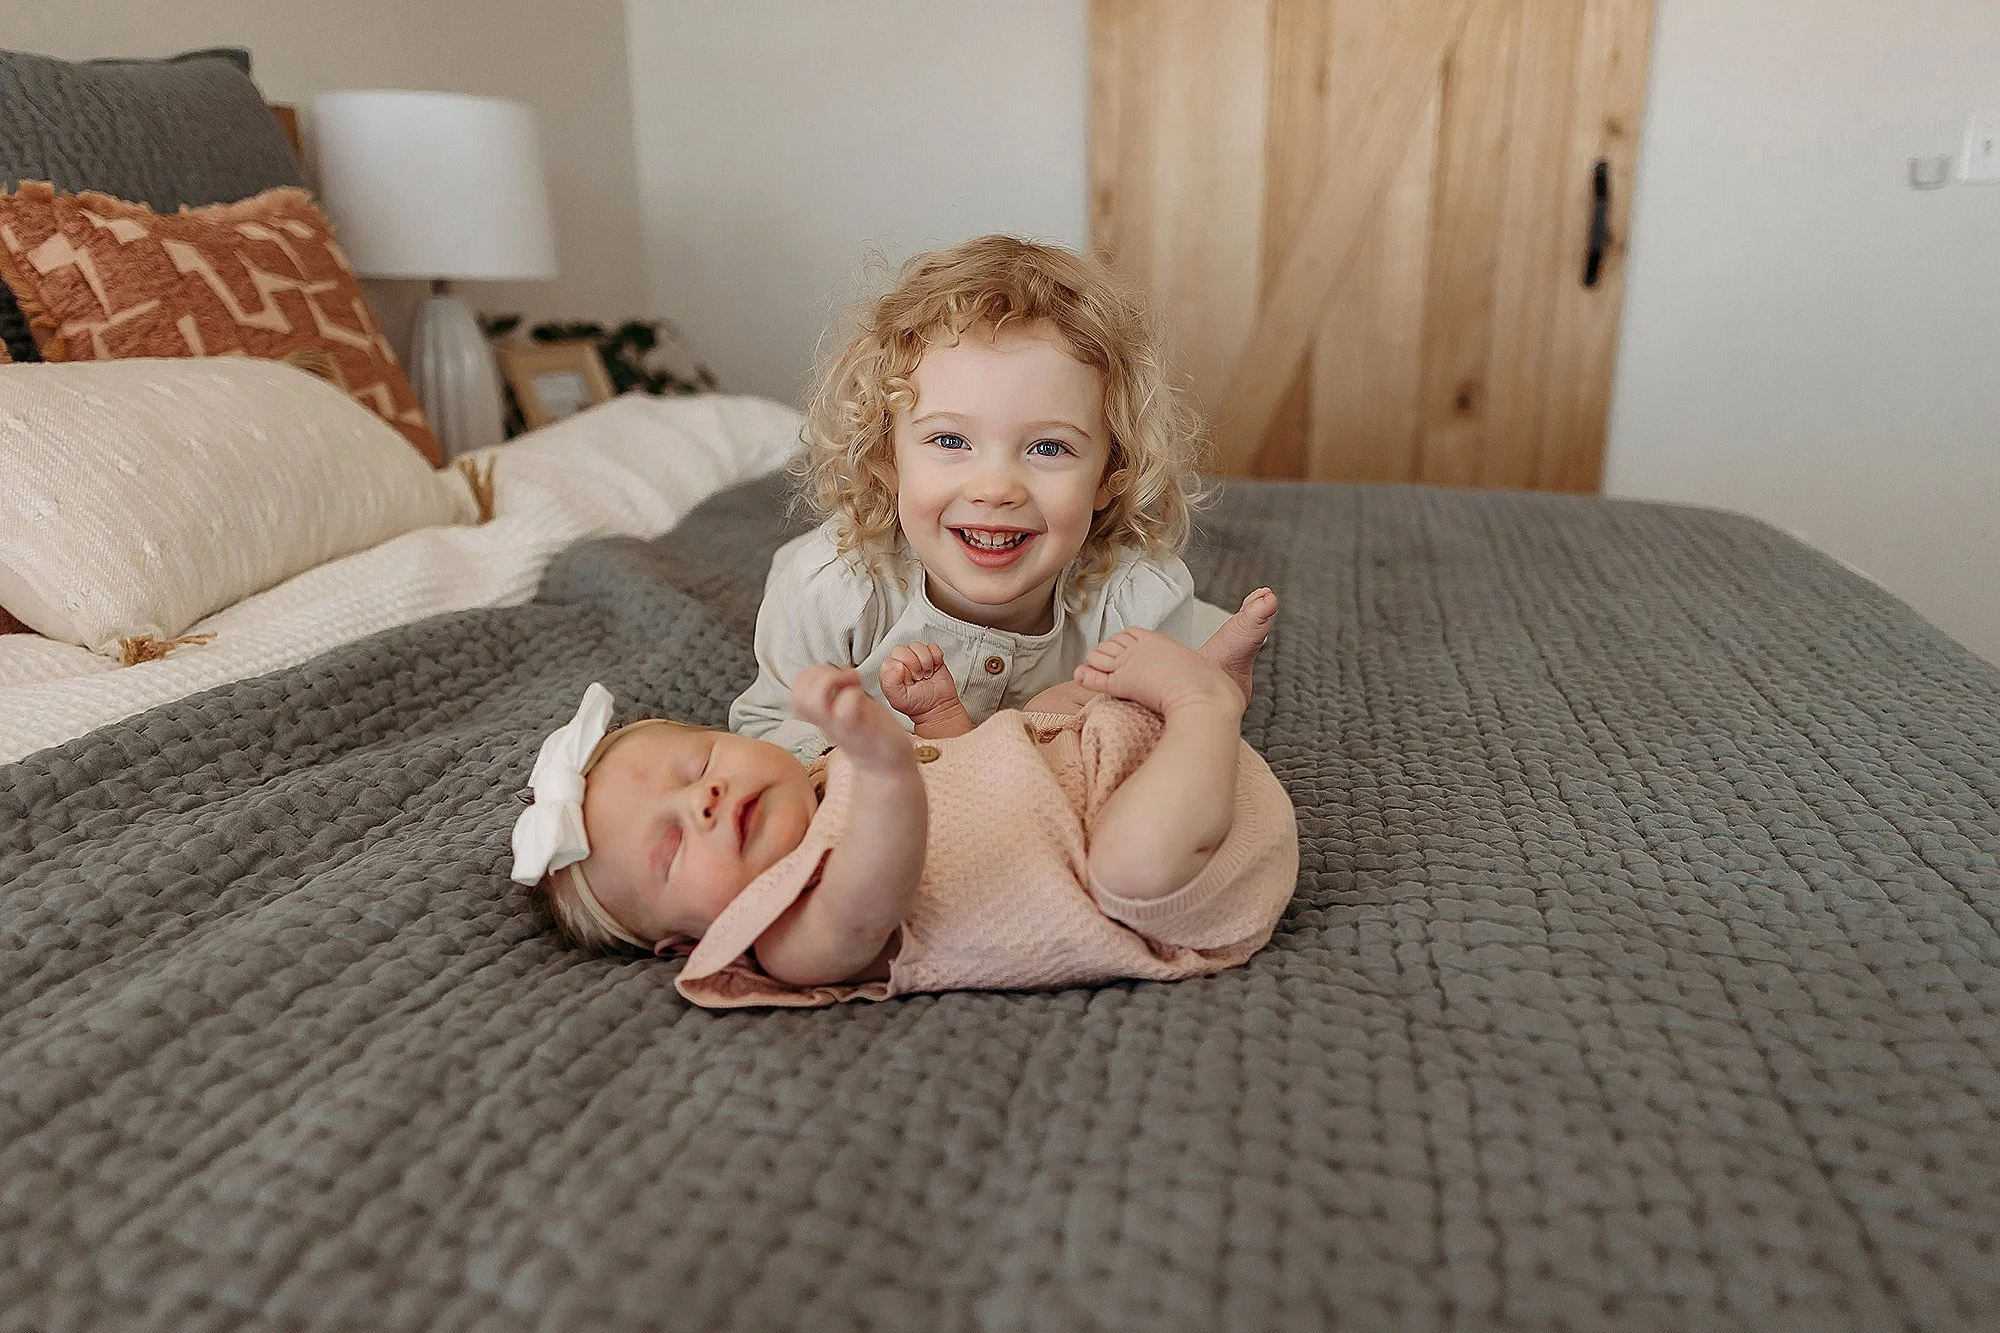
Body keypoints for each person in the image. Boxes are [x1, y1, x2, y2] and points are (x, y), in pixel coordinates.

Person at [511, 625, 1298, 1010]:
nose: (703, 799)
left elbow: (965, 771)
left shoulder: (825, 776)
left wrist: (938, 717)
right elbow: (876, 887)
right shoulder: (788, 937)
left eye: (700, 764)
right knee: (1131, 862)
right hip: (1179, 881)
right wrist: (885, 763)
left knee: (1049, 701)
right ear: (687, 941)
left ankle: (1198, 721)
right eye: (673, 844)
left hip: (1102, 756)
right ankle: (1204, 705)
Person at [730, 233, 1277, 761]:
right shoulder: (832, 593)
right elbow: (770, 730)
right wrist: (870, 762)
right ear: (886, 460)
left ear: (1111, 474)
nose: (995, 489)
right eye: (950, 441)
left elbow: (1148, 752)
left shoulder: (1138, 602)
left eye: (1048, 447)